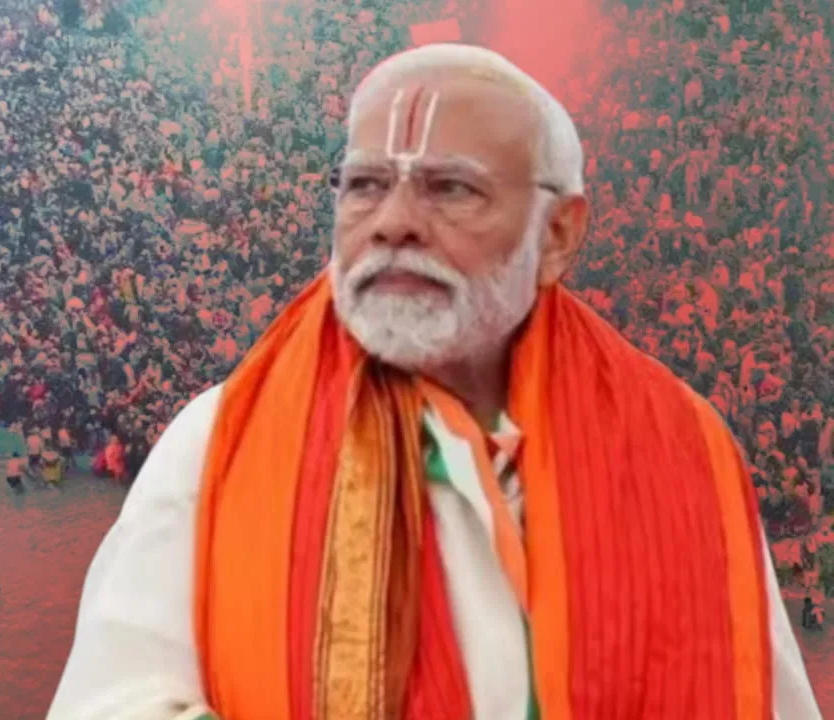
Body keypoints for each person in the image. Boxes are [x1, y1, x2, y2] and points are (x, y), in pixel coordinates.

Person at [50, 44, 821, 720]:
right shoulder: (221, 442)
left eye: (451, 188)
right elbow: (113, 700)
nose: (393, 221)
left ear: (558, 234)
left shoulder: (678, 454)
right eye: (364, 185)